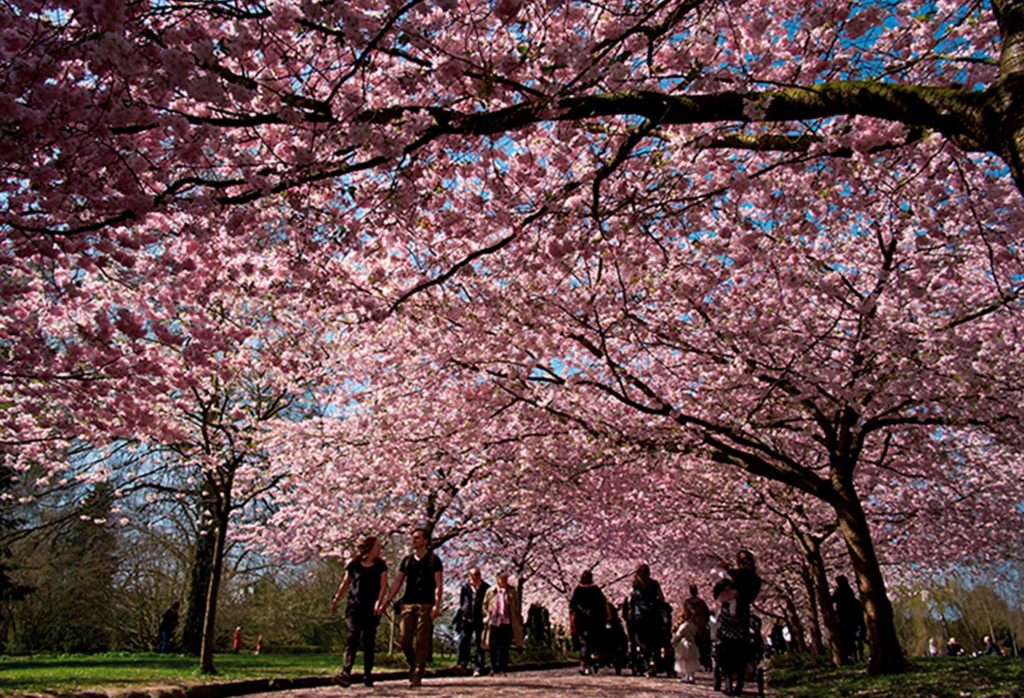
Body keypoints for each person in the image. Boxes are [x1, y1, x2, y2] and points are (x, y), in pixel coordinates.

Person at [380, 527, 444, 687]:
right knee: (404, 639)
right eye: (413, 538)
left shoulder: (434, 560)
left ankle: (418, 672)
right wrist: (387, 600)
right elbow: (398, 582)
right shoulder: (407, 560)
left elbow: (439, 584)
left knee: (422, 640)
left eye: (417, 538)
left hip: (426, 604)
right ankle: (413, 663)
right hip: (408, 603)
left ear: (425, 541)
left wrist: (437, 604)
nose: (413, 541)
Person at [330, 535, 389, 687]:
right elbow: (345, 583)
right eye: (378, 546)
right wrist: (336, 600)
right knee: (352, 637)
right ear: (370, 548)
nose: (380, 549)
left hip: (371, 609)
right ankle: (346, 673)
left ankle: (368, 675)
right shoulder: (354, 565)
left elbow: (384, 585)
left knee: (369, 641)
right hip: (354, 607)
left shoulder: (380, 566)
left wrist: (379, 602)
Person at [713, 550, 762, 697]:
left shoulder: (733, 574)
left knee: (725, 645)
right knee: (742, 648)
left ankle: (728, 679)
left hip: (728, 615)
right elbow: (751, 598)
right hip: (743, 614)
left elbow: (716, 592)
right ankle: (739, 682)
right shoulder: (755, 579)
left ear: (738, 561)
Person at [481, 570, 524, 676]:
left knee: (504, 646)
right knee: (493, 646)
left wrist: (518, 619)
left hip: (507, 621)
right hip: (494, 621)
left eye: (505, 578)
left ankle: (503, 669)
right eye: (502, 578)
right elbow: (485, 605)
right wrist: (487, 616)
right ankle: (493, 668)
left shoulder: (512, 591)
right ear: (497, 579)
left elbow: (517, 606)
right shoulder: (491, 591)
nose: (504, 580)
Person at [629, 563, 666, 677]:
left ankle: (647, 664)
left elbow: (632, 599)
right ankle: (653, 661)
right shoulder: (654, 584)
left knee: (642, 641)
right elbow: (661, 598)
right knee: (655, 640)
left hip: (640, 617)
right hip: (654, 615)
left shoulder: (635, 584)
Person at [569, 570, 609, 675]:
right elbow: (603, 603)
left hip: (581, 620)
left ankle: (584, 663)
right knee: (591, 642)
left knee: (584, 642)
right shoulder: (595, 590)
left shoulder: (578, 590)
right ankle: (588, 662)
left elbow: (573, 605)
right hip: (594, 620)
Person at [454, 567, 489, 676]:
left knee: (479, 643)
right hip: (466, 618)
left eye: (478, 574)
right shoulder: (465, 587)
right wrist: (464, 610)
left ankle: (478, 667)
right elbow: (462, 601)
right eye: (473, 574)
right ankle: (462, 665)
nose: (476, 577)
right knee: (464, 641)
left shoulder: (486, 587)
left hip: (480, 619)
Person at [832, 575, 864, 663]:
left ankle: (851, 655)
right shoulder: (849, 590)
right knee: (855, 637)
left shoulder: (840, 590)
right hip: (852, 617)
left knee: (847, 637)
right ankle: (859, 656)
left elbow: (832, 599)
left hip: (844, 617)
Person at [682, 584, 712, 669]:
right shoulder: (702, 602)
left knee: (692, 644)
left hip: (691, 625)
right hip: (701, 625)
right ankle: (705, 662)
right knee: (703, 645)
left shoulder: (687, 602)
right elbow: (707, 614)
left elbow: (685, 615)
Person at [672, 616, 700, 684]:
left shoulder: (684, 625)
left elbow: (679, 634)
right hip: (692, 642)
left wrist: (674, 640)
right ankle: (691, 676)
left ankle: (687, 676)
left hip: (684, 642)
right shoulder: (694, 625)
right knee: (692, 660)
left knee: (685, 660)